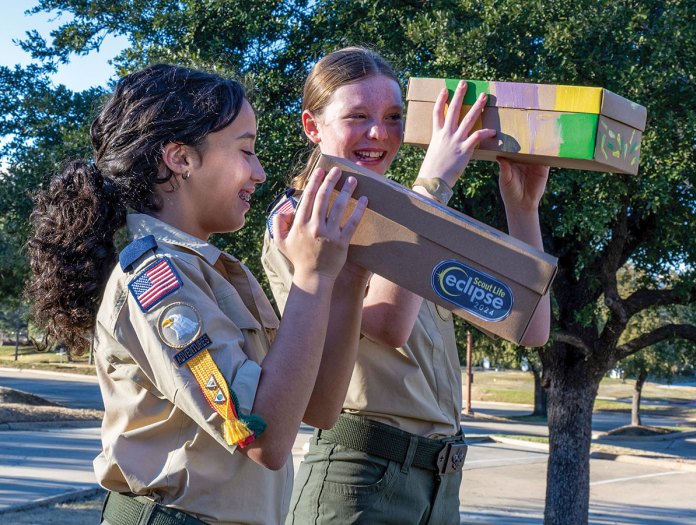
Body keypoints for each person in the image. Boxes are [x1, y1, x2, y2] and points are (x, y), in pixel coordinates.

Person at [25, 63, 370, 525]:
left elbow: (320, 409)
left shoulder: (214, 273)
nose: (260, 172)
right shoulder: (158, 281)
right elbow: (263, 439)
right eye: (246, 151)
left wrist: (343, 282)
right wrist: (311, 277)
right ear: (181, 159)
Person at [261, 47, 551, 524]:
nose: (379, 133)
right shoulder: (300, 220)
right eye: (357, 116)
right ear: (313, 127)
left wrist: (522, 208)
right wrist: (433, 186)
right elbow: (389, 326)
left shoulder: (416, 214)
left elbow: (528, 326)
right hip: (361, 477)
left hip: (440, 481)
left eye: (394, 116)